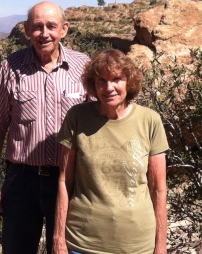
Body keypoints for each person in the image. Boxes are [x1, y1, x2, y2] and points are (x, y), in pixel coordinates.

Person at [0, 1, 90, 254]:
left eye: (51, 26)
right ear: (27, 30)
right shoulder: (11, 67)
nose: (45, 33)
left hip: (69, 180)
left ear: (64, 29)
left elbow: (99, 124)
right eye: (37, 27)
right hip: (21, 181)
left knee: (63, 249)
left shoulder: (82, 66)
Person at [53, 49, 168, 254]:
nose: (109, 88)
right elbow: (64, 181)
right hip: (83, 242)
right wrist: (58, 238)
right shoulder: (77, 117)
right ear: (93, 85)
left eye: (117, 79)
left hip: (137, 244)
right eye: (101, 81)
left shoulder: (150, 121)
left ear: (129, 82)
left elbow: (158, 189)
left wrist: (160, 246)